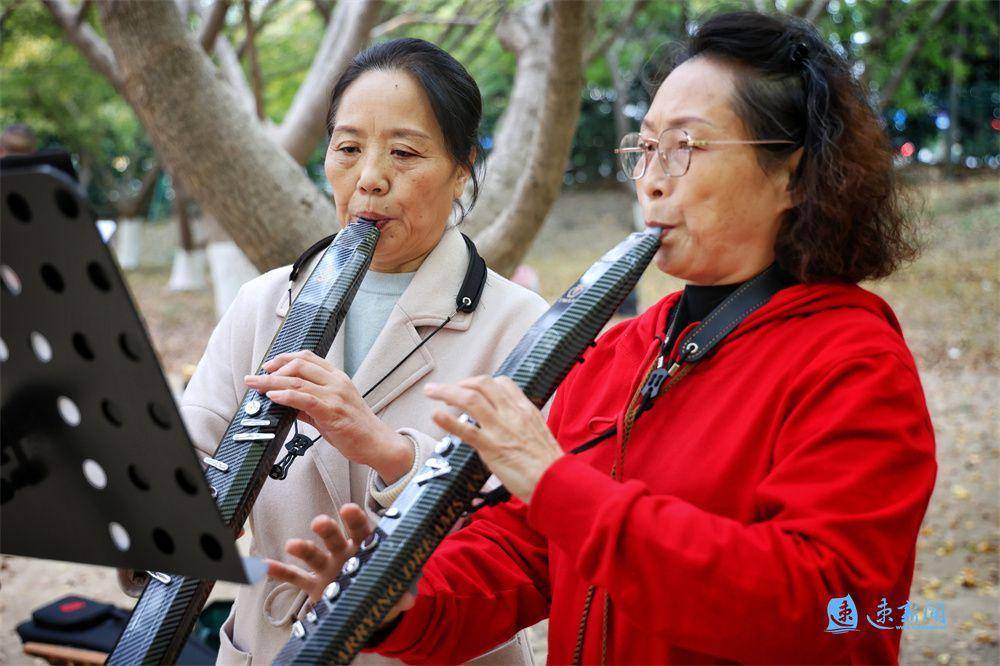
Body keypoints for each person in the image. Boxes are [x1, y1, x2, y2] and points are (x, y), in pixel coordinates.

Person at [270, 11, 937, 665]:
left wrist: (556, 483)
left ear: (792, 173)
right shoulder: (620, 352)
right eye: (645, 148)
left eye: (687, 147)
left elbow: (829, 611)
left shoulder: (855, 362)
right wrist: (403, 601)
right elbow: (527, 553)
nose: (650, 179)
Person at [121, 39, 547, 665]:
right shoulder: (264, 303)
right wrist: (158, 514)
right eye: (348, 149)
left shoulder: (519, 325)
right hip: (270, 647)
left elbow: (529, 530)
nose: (370, 177)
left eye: (404, 152)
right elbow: (193, 458)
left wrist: (390, 452)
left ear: (462, 168)